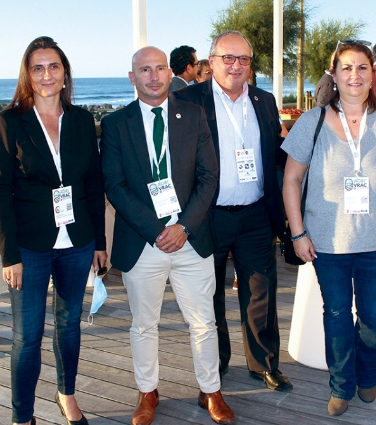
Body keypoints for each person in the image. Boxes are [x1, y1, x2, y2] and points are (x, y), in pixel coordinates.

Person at [282, 40, 376, 416]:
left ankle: (368, 376)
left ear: (373, 73)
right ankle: (341, 386)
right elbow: (290, 181)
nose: (354, 75)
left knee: (374, 319)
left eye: (362, 67)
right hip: (327, 244)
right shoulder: (311, 121)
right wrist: (298, 234)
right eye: (346, 68)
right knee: (336, 315)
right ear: (333, 75)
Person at [101, 46, 235, 425]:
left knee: (203, 322)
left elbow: (210, 177)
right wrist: (157, 230)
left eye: (160, 68)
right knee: (144, 324)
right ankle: (147, 391)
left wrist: (183, 227)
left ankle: (211, 390)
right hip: (143, 242)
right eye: (145, 70)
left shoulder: (193, 115)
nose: (154, 76)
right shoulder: (116, 125)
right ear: (133, 78)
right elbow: (115, 185)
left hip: (192, 239)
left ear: (167, 72)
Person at [0, 36, 107, 425]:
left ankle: (66, 394)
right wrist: (9, 256)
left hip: (77, 241)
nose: (46, 74)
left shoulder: (80, 120)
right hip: (29, 248)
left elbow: (93, 184)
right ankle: (22, 416)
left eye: (53, 66)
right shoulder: (9, 122)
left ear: (65, 72)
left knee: (69, 323)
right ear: (27, 74)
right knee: (26, 336)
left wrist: (99, 244)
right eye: (38, 67)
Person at [173, 30, 292, 391]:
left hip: (256, 213)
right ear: (211, 62)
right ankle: (217, 364)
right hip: (207, 216)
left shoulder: (265, 101)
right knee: (209, 295)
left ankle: (265, 364)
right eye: (228, 58)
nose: (236, 66)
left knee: (261, 292)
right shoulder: (188, 100)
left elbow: (275, 154)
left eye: (243, 59)